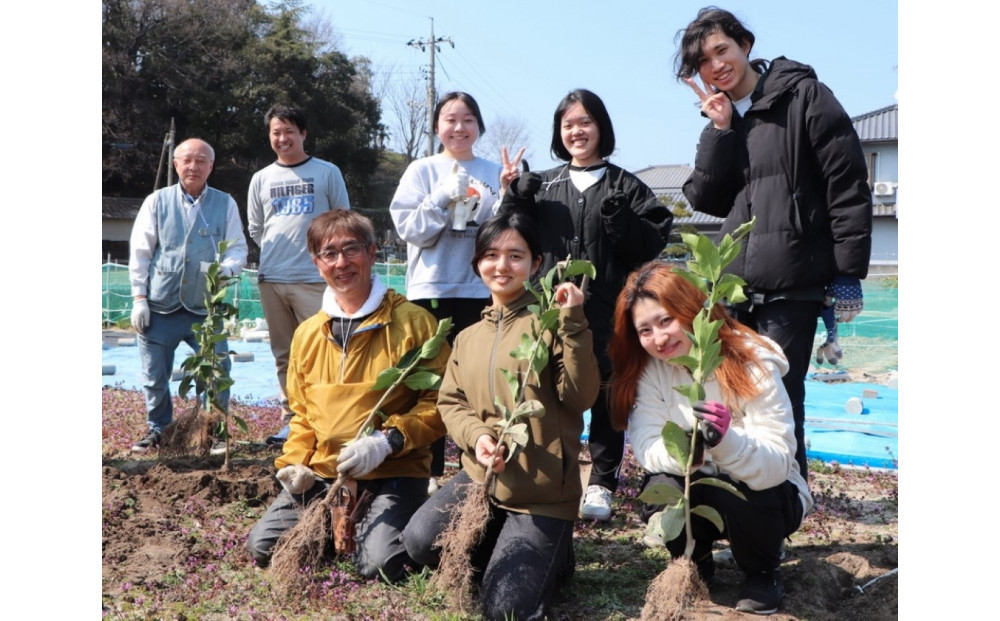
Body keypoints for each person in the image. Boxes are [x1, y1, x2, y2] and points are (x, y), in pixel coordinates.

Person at [675, 7, 872, 479]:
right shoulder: (723, 118)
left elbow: (846, 182)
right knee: (731, 396)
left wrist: (847, 271)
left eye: (722, 49)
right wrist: (718, 131)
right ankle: (740, 506)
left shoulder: (804, 96)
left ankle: (785, 505)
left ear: (744, 44)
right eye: (703, 60)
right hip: (735, 285)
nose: (716, 64)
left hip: (794, 278)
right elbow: (706, 198)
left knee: (780, 396)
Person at [402, 210, 600, 620]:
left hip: (541, 492)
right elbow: (450, 402)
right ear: (478, 263)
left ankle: (556, 555)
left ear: (536, 264)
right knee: (420, 541)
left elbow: (580, 398)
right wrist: (477, 438)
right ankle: (510, 543)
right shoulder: (468, 336)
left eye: (515, 255)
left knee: (505, 608)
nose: (502, 265)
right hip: (482, 477)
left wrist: (574, 323)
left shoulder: (551, 324)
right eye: (491, 255)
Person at [246, 210, 450, 582]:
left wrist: (388, 440)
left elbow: (440, 404)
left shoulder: (414, 323)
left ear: (372, 253)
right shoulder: (308, 333)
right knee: (265, 546)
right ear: (316, 263)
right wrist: (295, 464)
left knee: (381, 566)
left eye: (351, 249)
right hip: (325, 475)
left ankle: (390, 520)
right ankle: (341, 522)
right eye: (329, 253)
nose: (341, 262)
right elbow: (303, 414)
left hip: (394, 471)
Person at [500, 88, 673, 521]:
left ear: (601, 128)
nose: (577, 131)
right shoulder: (544, 184)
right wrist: (514, 196)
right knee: (549, 390)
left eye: (585, 122)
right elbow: (510, 237)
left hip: (609, 312)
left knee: (609, 398)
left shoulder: (627, 186)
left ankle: (601, 482)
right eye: (568, 124)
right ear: (560, 133)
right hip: (551, 313)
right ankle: (549, 473)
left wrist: (620, 218)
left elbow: (649, 245)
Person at [607, 262, 813, 615]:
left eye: (665, 320)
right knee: (663, 486)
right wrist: (687, 452)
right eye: (644, 330)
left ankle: (762, 571)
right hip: (698, 478)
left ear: (692, 311)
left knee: (747, 492)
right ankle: (693, 562)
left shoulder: (750, 361)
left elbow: (778, 462)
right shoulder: (651, 371)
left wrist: (727, 441)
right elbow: (646, 444)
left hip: (768, 491)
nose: (658, 338)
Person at [389, 91, 523, 489]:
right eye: (450, 119)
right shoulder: (421, 170)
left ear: (479, 126)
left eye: (468, 119)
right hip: (432, 286)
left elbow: (502, 235)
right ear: (436, 127)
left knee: (480, 378)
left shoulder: (491, 169)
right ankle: (428, 471)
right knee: (430, 378)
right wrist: (441, 195)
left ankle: (478, 466)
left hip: (481, 290)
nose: (459, 127)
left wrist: (502, 194)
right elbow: (409, 230)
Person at [128, 138, 248, 453]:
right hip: (160, 306)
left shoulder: (225, 203)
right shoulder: (157, 201)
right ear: (176, 164)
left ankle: (213, 432)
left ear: (211, 166)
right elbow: (141, 251)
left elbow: (237, 247)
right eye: (187, 160)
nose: (193, 166)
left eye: (201, 161)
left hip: (205, 308)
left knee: (216, 373)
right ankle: (159, 431)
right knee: (155, 376)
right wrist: (139, 298)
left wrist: (228, 270)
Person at [247, 104, 351, 445]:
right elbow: (257, 228)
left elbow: (341, 220)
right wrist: (281, 255)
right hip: (272, 278)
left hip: (315, 280)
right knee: (284, 354)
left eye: (289, 131)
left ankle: (328, 419)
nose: (282, 138)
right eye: (276, 132)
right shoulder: (261, 178)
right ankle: (292, 422)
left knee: (325, 349)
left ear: (303, 134)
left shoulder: (326, 172)